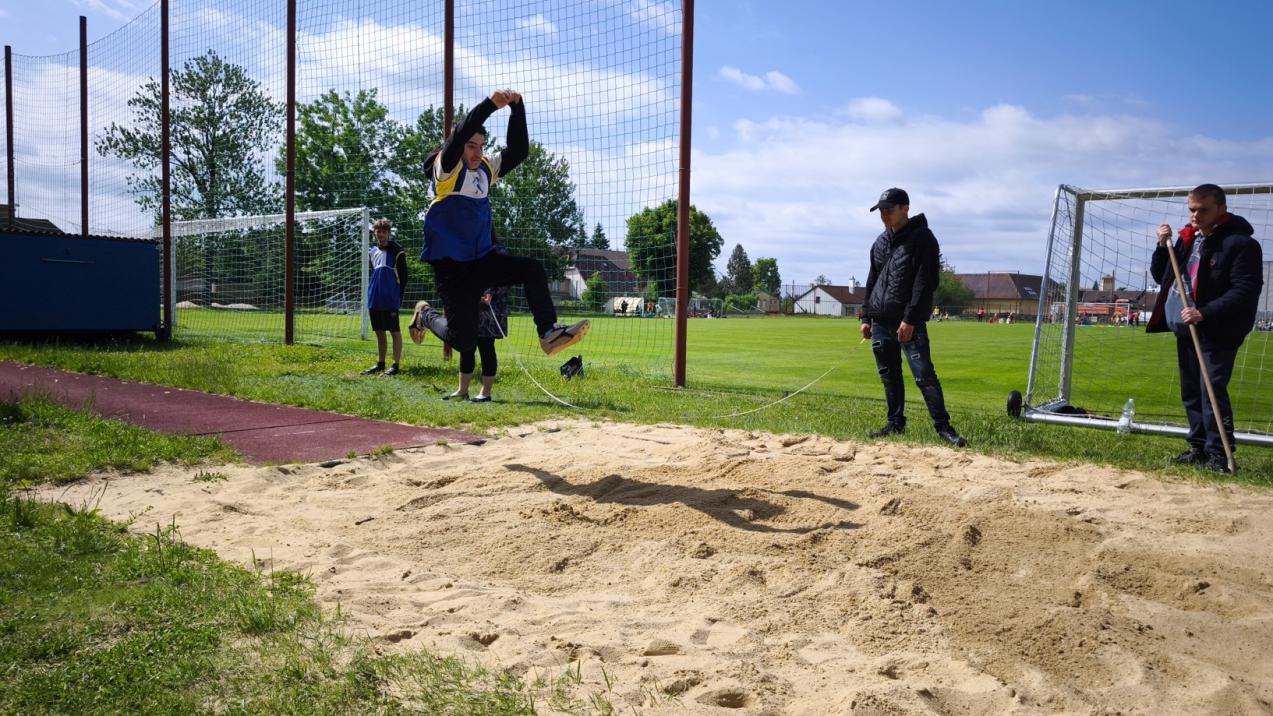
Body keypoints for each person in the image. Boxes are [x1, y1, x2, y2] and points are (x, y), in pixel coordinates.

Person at [409, 88, 588, 358]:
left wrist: (517, 109)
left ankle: (548, 333)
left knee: (532, 269)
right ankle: (424, 314)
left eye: (481, 146)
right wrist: (490, 105)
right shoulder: (446, 170)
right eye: (471, 146)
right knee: (464, 341)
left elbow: (518, 151)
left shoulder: (484, 168)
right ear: (458, 146)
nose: (477, 153)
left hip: (482, 261)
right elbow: (459, 135)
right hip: (452, 268)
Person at [1146, 183, 1263, 474]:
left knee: (1211, 390)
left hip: (1220, 329)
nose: (1195, 215)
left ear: (1222, 209)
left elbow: (1245, 290)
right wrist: (1161, 247)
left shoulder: (1241, 244)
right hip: (1186, 326)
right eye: (1191, 210)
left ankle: (1220, 454)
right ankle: (1198, 447)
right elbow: (1162, 276)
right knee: (1191, 391)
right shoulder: (1188, 239)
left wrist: (1204, 312)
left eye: (1203, 210)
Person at [859, 188, 967, 447]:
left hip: (909, 322)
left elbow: (925, 282)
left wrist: (910, 319)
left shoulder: (923, 239)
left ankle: (943, 426)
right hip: (881, 321)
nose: (884, 215)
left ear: (905, 208)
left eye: (889, 210)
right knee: (889, 375)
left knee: (924, 375)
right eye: (881, 211)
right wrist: (865, 316)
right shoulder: (879, 243)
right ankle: (895, 423)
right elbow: (872, 280)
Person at [444, 287, 508, 402]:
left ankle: (485, 393)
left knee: (486, 346)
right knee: (466, 347)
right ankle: (462, 391)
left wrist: (487, 293)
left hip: (490, 306)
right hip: (470, 306)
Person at [363, 218, 409, 376]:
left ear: (389, 233)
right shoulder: (372, 252)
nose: (381, 234)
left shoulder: (397, 251)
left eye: (384, 231)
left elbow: (404, 277)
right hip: (375, 297)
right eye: (378, 231)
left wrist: (399, 296)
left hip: (390, 297)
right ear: (374, 233)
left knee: (394, 331)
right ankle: (380, 364)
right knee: (379, 331)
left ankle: (395, 365)